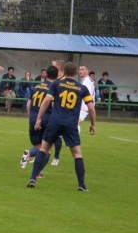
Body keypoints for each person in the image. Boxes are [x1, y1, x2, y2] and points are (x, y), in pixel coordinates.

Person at [26, 62, 96, 192]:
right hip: (71, 124)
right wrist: (92, 124)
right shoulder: (82, 88)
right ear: (76, 73)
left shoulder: (56, 84)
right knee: (77, 154)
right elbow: (91, 108)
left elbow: (46, 101)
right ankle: (81, 185)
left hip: (55, 122)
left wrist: (39, 118)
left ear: (63, 72)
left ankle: (32, 178)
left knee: (44, 149)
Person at [20, 65, 58, 174]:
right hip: (46, 119)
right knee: (47, 149)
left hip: (33, 119)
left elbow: (28, 104)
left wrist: (31, 117)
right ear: (56, 76)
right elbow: (53, 105)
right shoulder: (54, 88)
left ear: (46, 74)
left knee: (38, 146)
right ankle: (37, 173)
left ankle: (29, 154)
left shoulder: (37, 86)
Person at [78, 65, 96, 134]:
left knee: (75, 124)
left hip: (84, 106)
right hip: (84, 106)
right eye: (79, 69)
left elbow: (86, 94)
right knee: (74, 124)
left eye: (82, 69)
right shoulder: (86, 79)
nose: (80, 71)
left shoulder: (86, 81)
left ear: (87, 71)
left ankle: (75, 142)